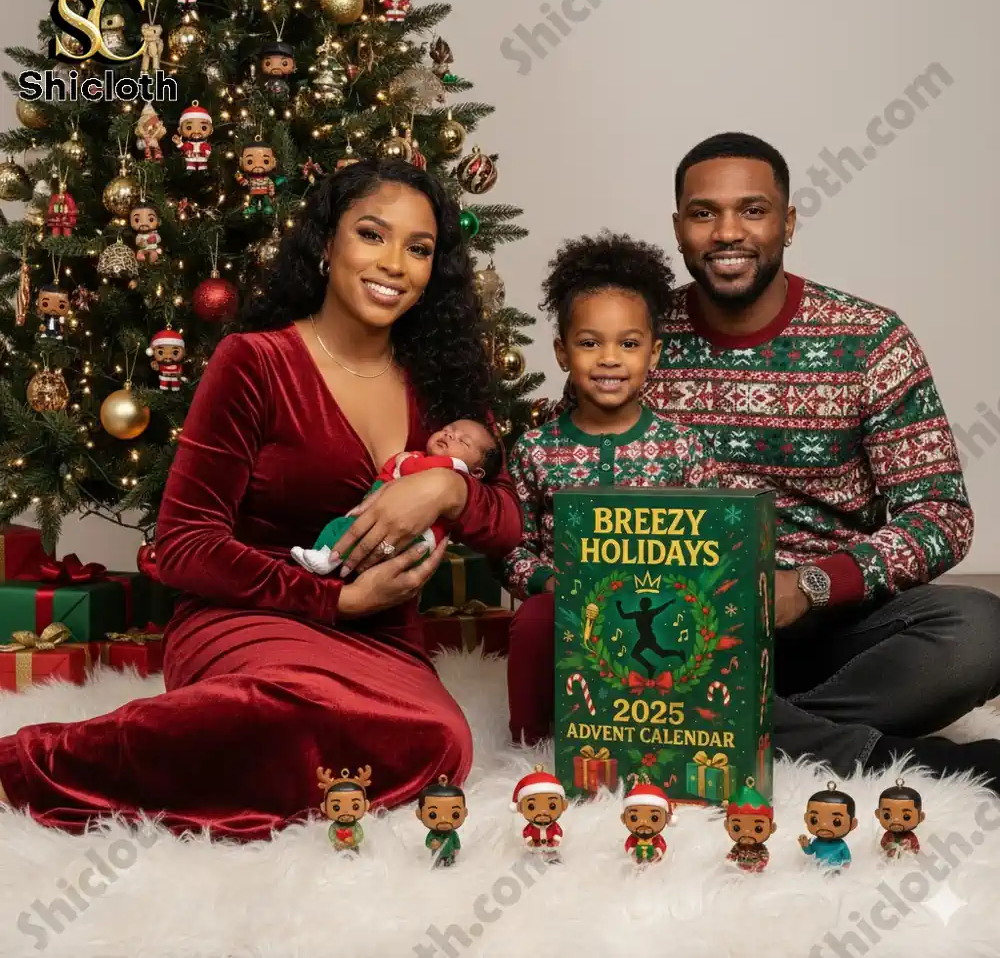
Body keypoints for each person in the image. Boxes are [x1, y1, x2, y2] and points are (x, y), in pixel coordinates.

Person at [0, 160, 522, 840]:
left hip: (382, 639)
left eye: (418, 248)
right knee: (291, 707)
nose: (394, 264)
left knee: (436, 741)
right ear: (327, 245)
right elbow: (184, 545)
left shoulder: (442, 381)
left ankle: (216, 747)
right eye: (372, 235)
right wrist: (333, 600)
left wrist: (448, 486)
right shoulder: (255, 361)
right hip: (248, 616)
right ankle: (29, 762)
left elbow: (508, 526)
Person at [537, 132, 1000, 790]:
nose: (729, 232)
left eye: (752, 210)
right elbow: (578, 471)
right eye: (704, 213)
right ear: (678, 228)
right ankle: (857, 754)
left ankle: (723, 731)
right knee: (577, 639)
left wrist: (814, 584)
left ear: (787, 221)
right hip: (682, 631)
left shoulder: (867, 340)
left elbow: (942, 516)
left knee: (978, 632)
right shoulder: (631, 337)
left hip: (836, 626)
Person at [503, 232, 717, 744]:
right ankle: (531, 746)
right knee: (535, 621)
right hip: (569, 599)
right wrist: (548, 584)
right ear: (561, 352)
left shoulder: (684, 448)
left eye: (628, 343)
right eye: (589, 342)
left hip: (660, 598)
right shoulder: (534, 450)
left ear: (654, 353)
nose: (609, 359)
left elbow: (715, 543)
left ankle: (679, 729)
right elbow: (513, 547)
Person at [292, 418, 503, 575]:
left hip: (417, 536)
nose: (450, 435)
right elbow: (388, 472)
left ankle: (329, 560)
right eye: (448, 430)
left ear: (476, 473)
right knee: (341, 527)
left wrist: (403, 460)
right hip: (379, 521)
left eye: (463, 442)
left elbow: (410, 469)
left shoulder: (454, 468)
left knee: (356, 537)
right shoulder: (422, 456)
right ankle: (323, 555)